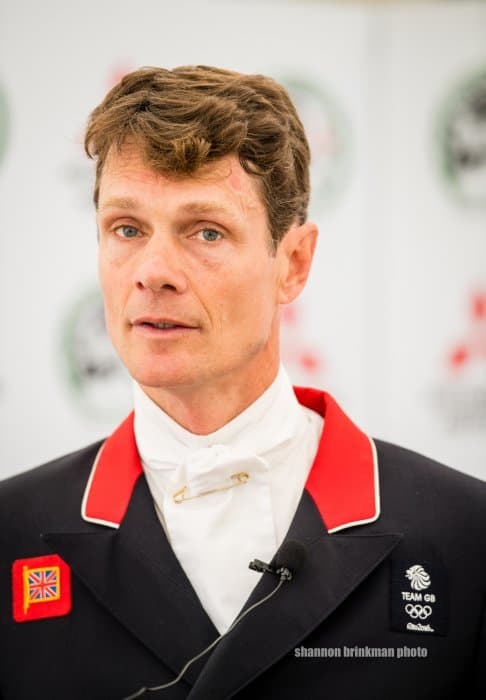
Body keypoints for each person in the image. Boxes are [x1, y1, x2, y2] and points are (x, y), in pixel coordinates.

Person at [0, 65, 485, 700]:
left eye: (206, 231)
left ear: (294, 263)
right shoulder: (10, 530)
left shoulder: (466, 533)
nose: (153, 271)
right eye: (127, 228)